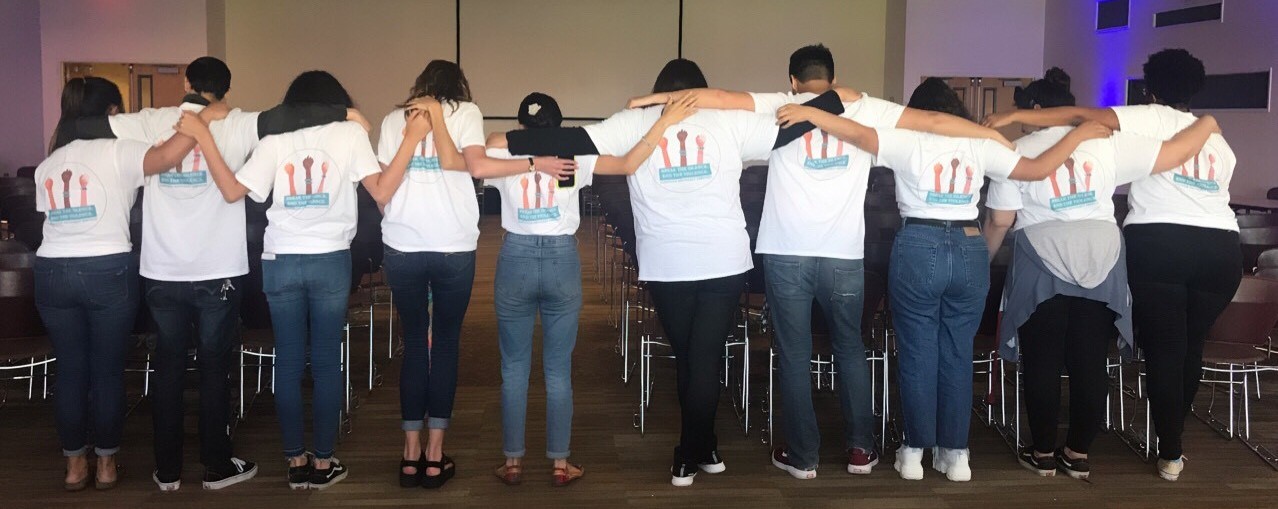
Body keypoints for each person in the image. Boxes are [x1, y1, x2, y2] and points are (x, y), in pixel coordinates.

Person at [627, 44, 1012, 479]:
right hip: (845, 255)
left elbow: (723, 97)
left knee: (793, 354)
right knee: (851, 348)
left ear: (792, 80)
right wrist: (995, 136)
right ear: (832, 76)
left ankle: (804, 456)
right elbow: (935, 122)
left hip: (787, 252)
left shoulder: (782, 104)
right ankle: (861, 451)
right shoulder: (865, 107)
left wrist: (656, 101)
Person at [498, 58, 844, 487]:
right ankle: (704, 447)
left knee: (692, 358)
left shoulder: (634, 121)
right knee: (703, 359)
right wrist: (836, 99)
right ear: (704, 90)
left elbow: (567, 138)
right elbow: (795, 127)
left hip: (666, 263)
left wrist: (503, 140)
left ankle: (689, 453)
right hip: (724, 261)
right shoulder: (728, 119)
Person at [772, 78, 1112, 481]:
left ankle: (914, 453)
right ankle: (957, 456)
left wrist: (813, 112)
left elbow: (856, 132)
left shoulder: (907, 136)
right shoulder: (984, 142)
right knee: (956, 353)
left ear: (919, 111)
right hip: (969, 242)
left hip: (919, 242)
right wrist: (1079, 136)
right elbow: (1036, 171)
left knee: (917, 352)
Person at [60, 56, 357, 492]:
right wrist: (343, 113)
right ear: (227, 88)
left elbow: (88, 129)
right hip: (218, 267)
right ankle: (217, 467)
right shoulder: (236, 123)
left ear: (185, 80)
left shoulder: (149, 121)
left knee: (169, 370)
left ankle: (167, 471)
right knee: (216, 371)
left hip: (161, 268)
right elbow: (288, 115)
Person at [984, 49, 1240, 481]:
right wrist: (1210, 124)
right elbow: (1173, 157)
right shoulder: (1200, 141)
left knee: (1050, 359)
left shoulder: (1138, 122)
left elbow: (1002, 218)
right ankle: (1086, 452)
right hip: (1167, 252)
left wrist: (1009, 121)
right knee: (1105, 358)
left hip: (1092, 251)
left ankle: (1049, 452)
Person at [184, 70, 400, 490]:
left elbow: (233, 192)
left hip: (281, 259)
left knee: (287, 362)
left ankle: (294, 460)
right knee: (324, 362)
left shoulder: (273, 140)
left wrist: (205, 141)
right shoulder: (349, 135)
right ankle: (323, 463)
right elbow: (380, 190)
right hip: (330, 260)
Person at [478, 92, 697, 486]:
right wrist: (662, 123)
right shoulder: (577, 154)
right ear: (560, 125)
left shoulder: (506, 151)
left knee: (513, 369)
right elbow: (630, 162)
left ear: (522, 126)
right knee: (558, 370)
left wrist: (523, 142)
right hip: (562, 260)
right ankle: (560, 464)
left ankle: (512, 463)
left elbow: (491, 139)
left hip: (516, 259)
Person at [377, 60, 558, 489]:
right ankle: (435, 455)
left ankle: (409, 456)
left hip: (402, 245)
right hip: (453, 245)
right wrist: (533, 163)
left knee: (413, 343)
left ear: (419, 86)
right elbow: (470, 166)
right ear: (457, 86)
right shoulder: (468, 113)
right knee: (445, 344)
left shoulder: (390, 119)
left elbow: (386, 181)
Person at [35, 76, 216, 491]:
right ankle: (106, 466)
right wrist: (197, 115)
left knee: (71, 372)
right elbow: (171, 155)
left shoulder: (50, 160)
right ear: (113, 113)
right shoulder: (119, 149)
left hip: (51, 272)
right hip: (105, 269)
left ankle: (74, 467)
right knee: (107, 372)